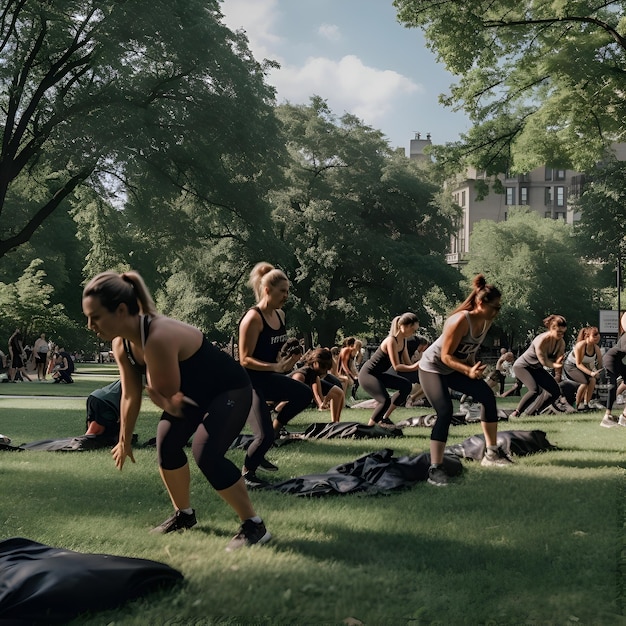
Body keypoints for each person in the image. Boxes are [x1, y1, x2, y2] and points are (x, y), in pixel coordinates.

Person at [82, 270, 270, 551]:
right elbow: (131, 395)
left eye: (95, 316)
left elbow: (168, 395)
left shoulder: (158, 336)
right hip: (191, 394)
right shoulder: (121, 344)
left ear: (121, 310)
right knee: (167, 444)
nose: (89, 325)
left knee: (206, 453)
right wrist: (123, 439)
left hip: (229, 389)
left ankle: (254, 525)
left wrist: (160, 398)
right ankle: (184, 515)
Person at [418, 275, 510, 486]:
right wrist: (468, 371)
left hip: (453, 369)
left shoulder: (486, 322)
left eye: (499, 308)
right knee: (445, 411)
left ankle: (492, 454)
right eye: (494, 307)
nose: (497, 312)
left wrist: (473, 368)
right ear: (480, 303)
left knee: (487, 396)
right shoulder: (460, 320)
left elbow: (467, 352)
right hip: (432, 368)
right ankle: (435, 468)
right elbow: (446, 357)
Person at [238, 262, 313, 488]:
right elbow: (245, 359)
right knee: (264, 436)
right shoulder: (253, 318)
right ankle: (247, 474)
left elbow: (272, 351)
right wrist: (275, 368)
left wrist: (286, 360)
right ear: (268, 290)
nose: (286, 296)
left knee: (304, 394)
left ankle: (274, 429)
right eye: (283, 291)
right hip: (248, 383)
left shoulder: (280, 315)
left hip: (268, 377)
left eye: (288, 291)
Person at [358, 312, 421, 427]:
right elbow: (396, 366)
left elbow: (408, 364)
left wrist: (422, 366)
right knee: (385, 400)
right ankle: (369, 427)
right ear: (404, 326)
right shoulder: (391, 340)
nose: (414, 333)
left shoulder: (404, 341)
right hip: (367, 374)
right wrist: (416, 366)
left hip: (379, 374)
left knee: (406, 386)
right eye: (413, 329)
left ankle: (384, 418)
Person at [509, 315, 567, 418]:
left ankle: (534, 412)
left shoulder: (561, 342)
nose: (561, 335)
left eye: (563, 332)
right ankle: (516, 413)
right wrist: (556, 364)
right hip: (523, 366)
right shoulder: (541, 340)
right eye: (559, 332)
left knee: (555, 391)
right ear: (552, 328)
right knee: (534, 390)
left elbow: (559, 360)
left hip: (536, 368)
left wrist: (558, 374)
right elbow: (544, 361)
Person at [281, 348, 345, 423]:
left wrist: (321, 404)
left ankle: (335, 423)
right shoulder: (300, 375)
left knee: (338, 392)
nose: (325, 371)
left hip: (300, 390)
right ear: (315, 363)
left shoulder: (315, 374)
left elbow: (317, 391)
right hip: (283, 394)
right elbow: (293, 394)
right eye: (324, 367)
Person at [562, 326, 604, 411]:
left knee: (592, 380)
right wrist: (591, 373)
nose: (597, 337)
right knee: (584, 382)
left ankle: (586, 404)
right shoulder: (580, 345)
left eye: (598, 334)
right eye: (594, 335)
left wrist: (600, 373)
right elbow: (578, 364)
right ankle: (575, 405)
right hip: (571, 366)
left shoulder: (596, 348)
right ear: (587, 336)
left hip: (583, 367)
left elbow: (600, 363)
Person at [601, 311, 626, 428]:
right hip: (611, 359)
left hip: (619, 361)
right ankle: (607, 417)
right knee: (613, 386)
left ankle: (624, 417)